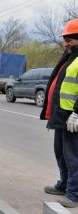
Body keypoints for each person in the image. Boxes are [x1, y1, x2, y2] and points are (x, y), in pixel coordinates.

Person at [40, 18, 78, 208]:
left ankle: (74, 194)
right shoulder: (70, 56)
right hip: (62, 115)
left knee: (73, 156)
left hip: (73, 117)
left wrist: (77, 112)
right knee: (61, 154)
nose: (66, 43)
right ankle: (64, 185)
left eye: (69, 39)